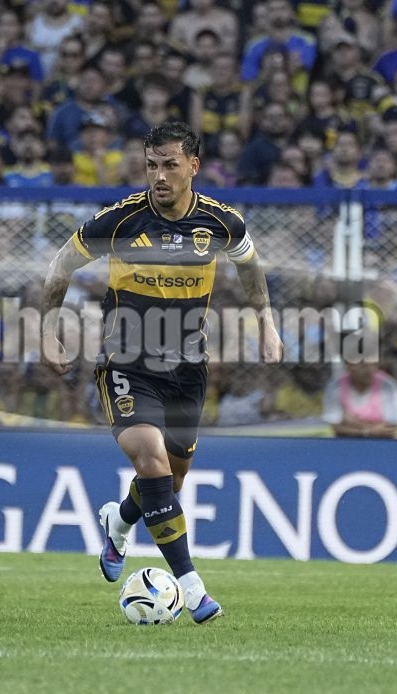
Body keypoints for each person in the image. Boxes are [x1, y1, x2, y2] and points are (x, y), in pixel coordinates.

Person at [41, 121, 283, 624]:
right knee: (150, 461)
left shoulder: (221, 222)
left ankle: (119, 520)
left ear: (193, 166)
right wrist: (46, 330)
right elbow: (62, 264)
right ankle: (193, 589)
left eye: (170, 165)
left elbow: (250, 268)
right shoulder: (121, 220)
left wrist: (267, 323)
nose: (159, 176)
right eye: (152, 165)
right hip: (126, 363)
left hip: (188, 368)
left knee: (171, 479)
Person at [322, 355, 397, 438]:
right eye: (363, 364)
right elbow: (337, 428)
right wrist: (371, 431)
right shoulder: (335, 387)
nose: (368, 369)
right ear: (349, 365)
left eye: (373, 364)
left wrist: (354, 424)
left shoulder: (388, 386)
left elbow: (391, 428)